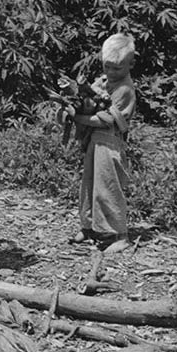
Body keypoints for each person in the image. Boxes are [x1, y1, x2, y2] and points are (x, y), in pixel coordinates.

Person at [71, 32, 137, 250]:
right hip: (94, 141)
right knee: (89, 184)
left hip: (110, 142)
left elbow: (106, 119)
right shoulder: (104, 81)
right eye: (107, 67)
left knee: (108, 186)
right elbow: (89, 98)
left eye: (116, 68)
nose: (110, 72)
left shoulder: (125, 89)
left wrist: (79, 118)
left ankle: (120, 235)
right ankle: (90, 227)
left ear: (130, 64)